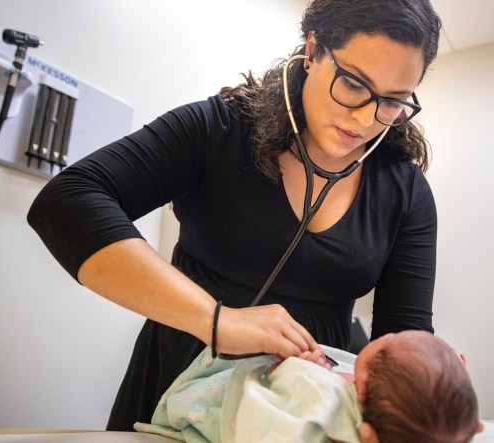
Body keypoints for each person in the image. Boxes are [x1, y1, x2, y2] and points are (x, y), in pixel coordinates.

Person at [27, 0, 442, 435]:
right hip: (177, 389)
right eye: (354, 84)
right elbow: (67, 202)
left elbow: (407, 344)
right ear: (313, 49)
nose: (365, 118)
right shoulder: (218, 129)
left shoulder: (406, 193)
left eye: (392, 102)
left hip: (304, 420)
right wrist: (217, 320)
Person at [134, 331, 482, 443]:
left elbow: (285, 394)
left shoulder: (321, 396)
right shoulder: (409, 422)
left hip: (219, 412)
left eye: (389, 339)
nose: (386, 335)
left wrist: (294, 369)